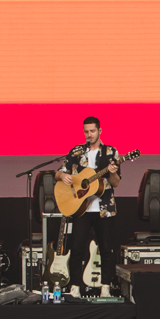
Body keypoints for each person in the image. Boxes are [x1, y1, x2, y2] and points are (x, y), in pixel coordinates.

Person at [62, 116, 124, 297]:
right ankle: (75, 287)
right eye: (86, 131)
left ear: (100, 131)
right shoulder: (76, 151)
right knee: (77, 247)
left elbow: (116, 182)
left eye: (92, 131)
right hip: (81, 208)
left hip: (104, 209)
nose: (89, 135)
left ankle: (105, 287)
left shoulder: (111, 152)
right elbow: (61, 171)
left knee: (106, 248)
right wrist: (61, 177)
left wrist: (111, 173)